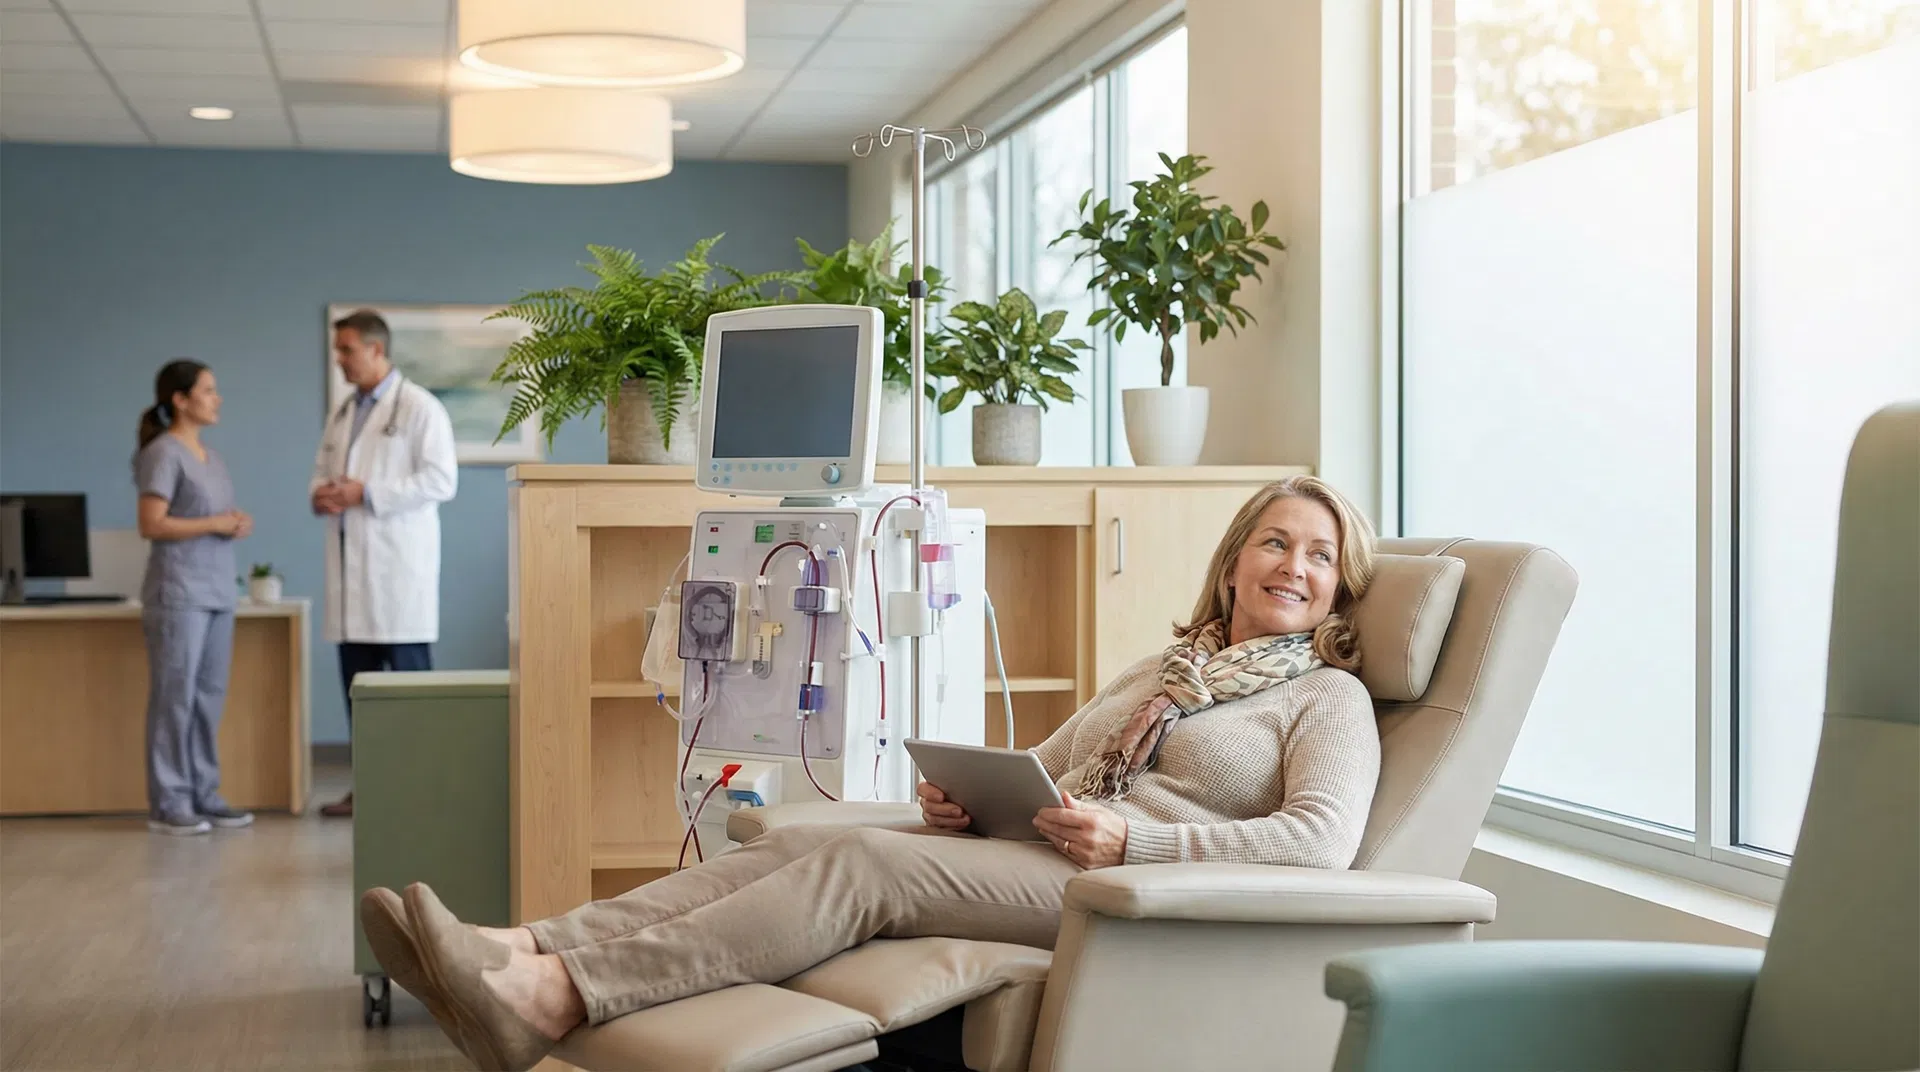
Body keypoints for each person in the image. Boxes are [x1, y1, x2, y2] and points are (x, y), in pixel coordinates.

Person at [362, 475, 1382, 1071]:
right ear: (1235, 559)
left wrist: (1138, 838)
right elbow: (1057, 764)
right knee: (799, 836)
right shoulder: (1168, 665)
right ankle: (516, 945)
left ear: (1341, 584)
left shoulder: (1325, 696)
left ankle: (555, 996)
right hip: (1047, 849)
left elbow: (1319, 846)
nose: (1294, 565)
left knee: (864, 867)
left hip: (1131, 889)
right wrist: (970, 798)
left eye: (1319, 555)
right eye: (1275, 541)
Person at [312, 309, 458, 818]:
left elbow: (441, 481)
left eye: (346, 350)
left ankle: (421, 791)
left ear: (376, 350)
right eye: (338, 350)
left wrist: (365, 492)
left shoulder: (420, 408)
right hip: (351, 580)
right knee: (360, 697)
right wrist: (323, 495)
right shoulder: (344, 413)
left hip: (399, 582)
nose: (340, 360)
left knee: (411, 699)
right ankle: (367, 791)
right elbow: (323, 471)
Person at [133, 359, 255, 836]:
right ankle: (169, 802)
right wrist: (214, 524)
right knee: (174, 698)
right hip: (178, 594)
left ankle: (205, 793)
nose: (216, 397)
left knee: (207, 698)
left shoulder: (212, 457)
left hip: (218, 591)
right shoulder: (162, 453)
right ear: (179, 399)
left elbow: (212, 516)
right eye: (208, 390)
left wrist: (233, 522)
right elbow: (151, 523)